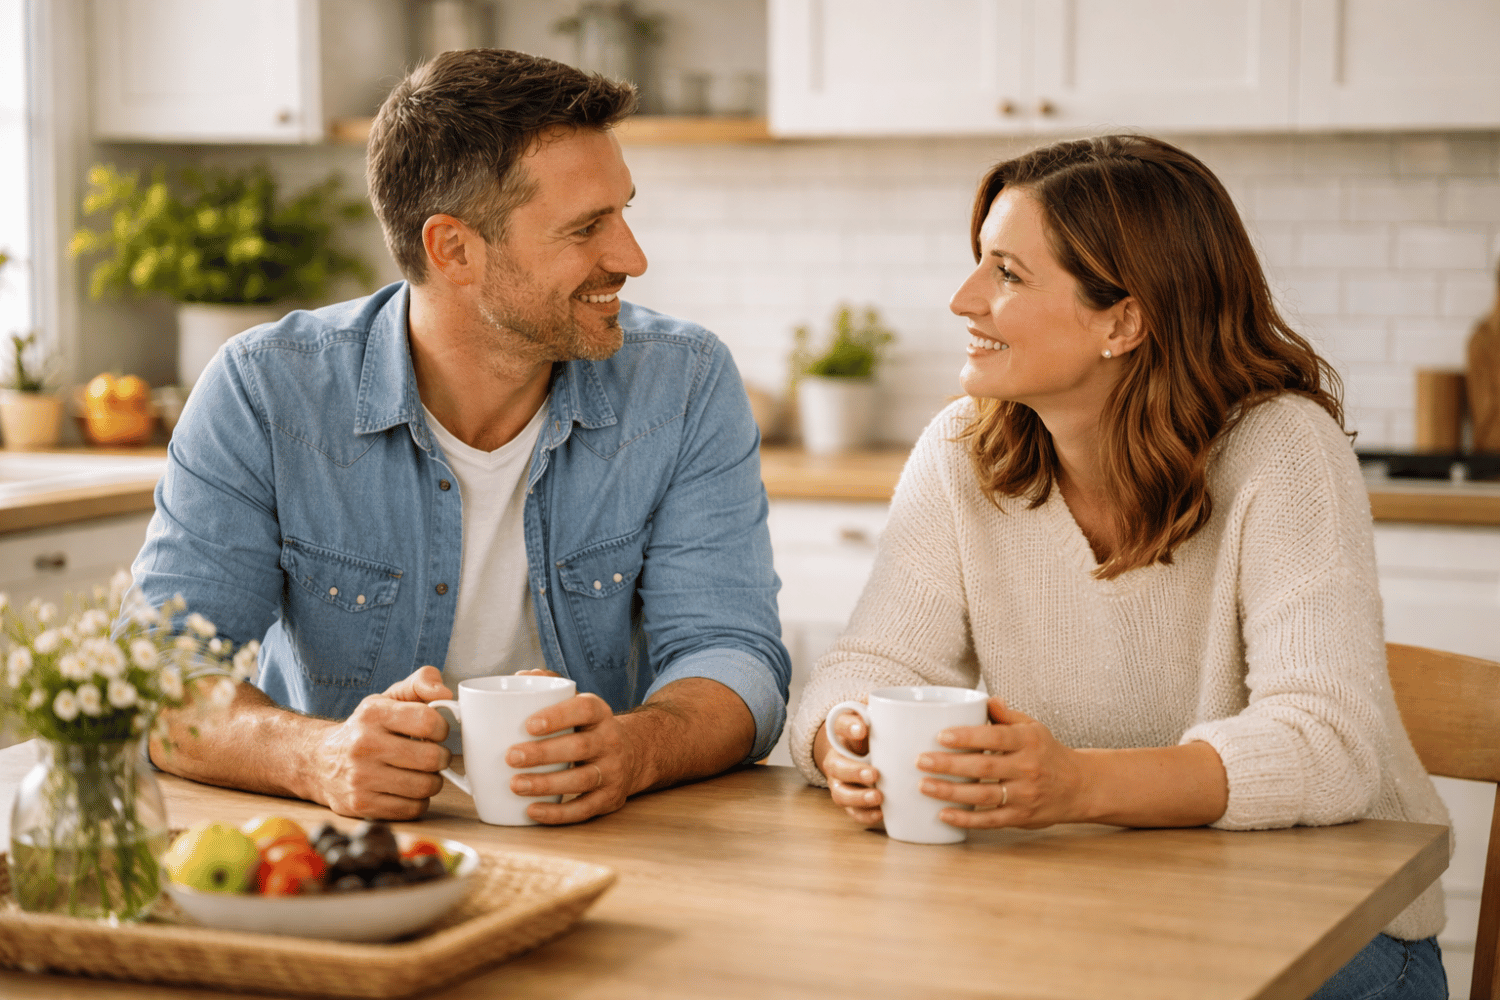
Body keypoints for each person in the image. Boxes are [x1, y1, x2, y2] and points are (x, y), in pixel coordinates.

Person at [789, 135, 1451, 998]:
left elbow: (1331, 744)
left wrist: (1074, 784)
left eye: (1009, 274)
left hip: (1332, 930)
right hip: (1094, 905)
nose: (963, 298)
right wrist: (844, 740)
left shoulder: (1281, 451)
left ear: (1123, 321)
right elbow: (864, 668)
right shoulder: (961, 451)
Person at [130, 49, 790, 824]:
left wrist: (636, 749)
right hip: (351, 850)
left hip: (606, 842)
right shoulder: (264, 392)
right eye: (586, 228)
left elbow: (733, 654)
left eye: (624, 213)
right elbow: (162, 677)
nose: (631, 257)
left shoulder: (683, 383)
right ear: (453, 249)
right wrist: (316, 757)